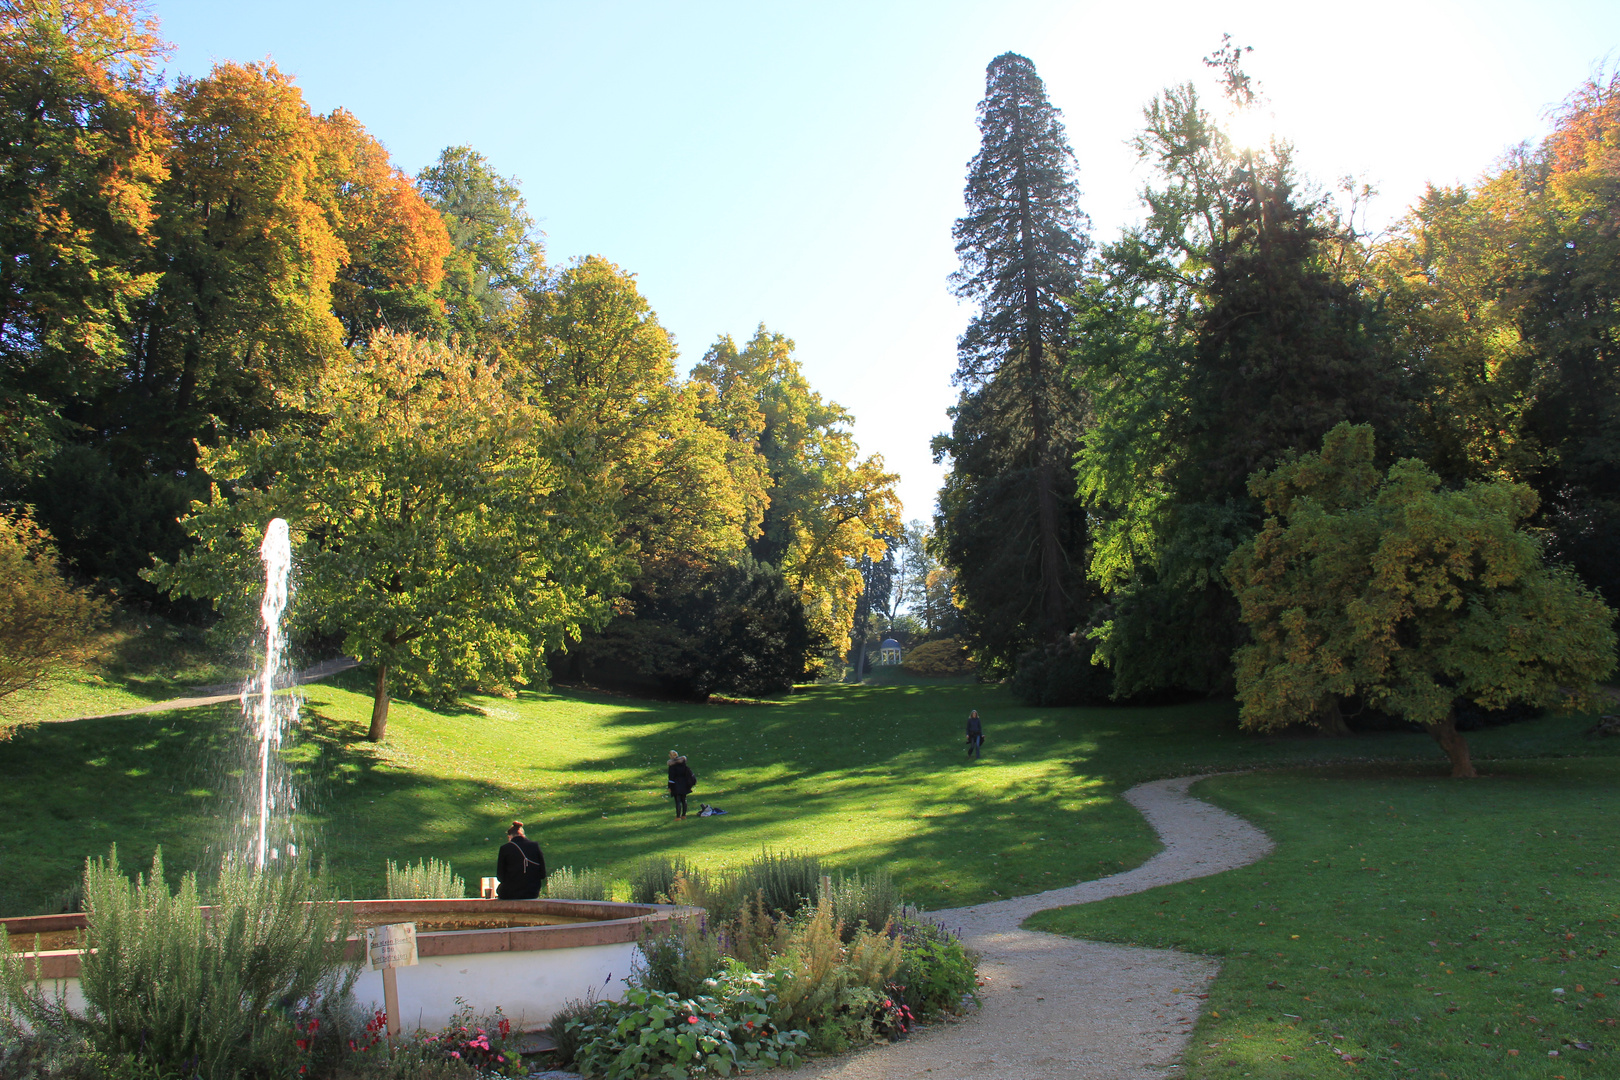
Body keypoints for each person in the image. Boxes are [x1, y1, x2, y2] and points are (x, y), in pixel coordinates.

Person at [495, 821, 546, 899]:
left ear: (509, 836)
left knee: (500, 890)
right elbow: (542, 874)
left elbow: (500, 877)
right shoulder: (535, 846)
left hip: (511, 893)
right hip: (532, 892)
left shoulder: (505, 848)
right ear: (523, 835)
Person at [667, 751, 696, 820]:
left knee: (677, 800)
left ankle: (678, 816)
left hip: (676, 784)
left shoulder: (672, 766)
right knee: (684, 799)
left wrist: (669, 786)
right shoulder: (683, 764)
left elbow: (671, 778)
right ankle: (684, 815)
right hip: (684, 783)